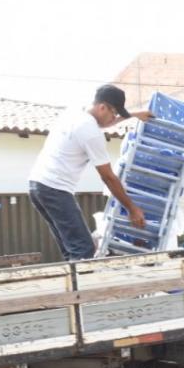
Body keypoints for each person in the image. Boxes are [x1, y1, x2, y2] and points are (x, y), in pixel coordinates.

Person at [28, 84, 153, 261]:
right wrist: (131, 208)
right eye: (114, 113)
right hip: (55, 189)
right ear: (102, 107)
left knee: (71, 247)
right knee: (84, 249)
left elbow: (102, 124)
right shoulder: (91, 133)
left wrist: (132, 115)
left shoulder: (75, 115)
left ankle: (71, 284)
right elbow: (108, 177)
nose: (114, 119)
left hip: (37, 186)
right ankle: (80, 287)